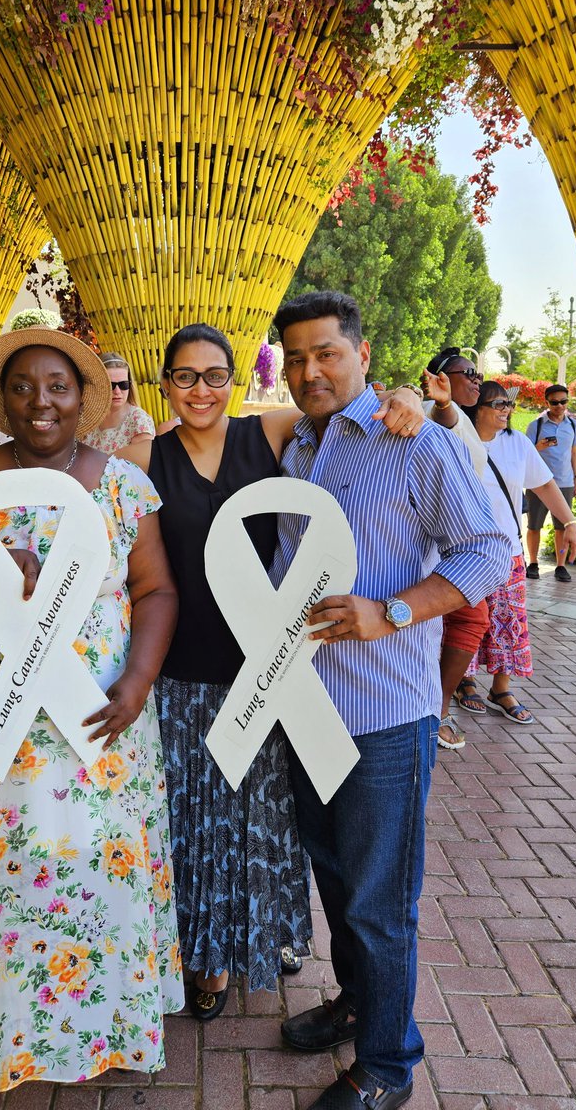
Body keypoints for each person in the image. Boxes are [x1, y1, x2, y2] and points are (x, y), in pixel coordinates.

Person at [0, 328, 183, 1092]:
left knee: (99, 864)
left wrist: (140, 679)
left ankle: (113, 1019)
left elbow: (155, 590)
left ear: (84, 399)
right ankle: (13, 1022)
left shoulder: (121, 485)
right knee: (16, 871)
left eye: (57, 386)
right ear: (2, 401)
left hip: (100, 719)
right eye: (22, 387)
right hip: (3, 723)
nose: (40, 402)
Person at [119, 323, 424, 1018]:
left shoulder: (271, 434)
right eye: (186, 376)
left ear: (238, 380)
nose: (202, 390)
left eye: (215, 375)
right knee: (190, 825)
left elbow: (355, 406)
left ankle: (244, 949)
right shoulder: (139, 459)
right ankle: (199, 956)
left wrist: (405, 395)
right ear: (164, 383)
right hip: (179, 677)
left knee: (254, 825)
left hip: (267, 675)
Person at [271, 292, 509, 1110]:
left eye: (327, 353)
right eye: (296, 357)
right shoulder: (295, 447)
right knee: (336, 882)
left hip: (384, 717)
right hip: (304, 708)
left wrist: (395, 611)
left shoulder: (417, 446)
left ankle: (387, 1068)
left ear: (363, 356)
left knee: (380, 901)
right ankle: (359, 1004)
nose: (311, 371)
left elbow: (489, 552)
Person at [459, 381, 576, 723]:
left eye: (507, 404)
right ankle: (464, 681)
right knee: (467, 621)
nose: (505, 410)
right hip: (463, 552)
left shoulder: (518, 444)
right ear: (475, 408)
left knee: (508, 622)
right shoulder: (457, 441)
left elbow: (543, 484)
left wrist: (569, 522)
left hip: (507, 550)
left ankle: (501, 687)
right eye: (497, 404)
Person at [420, 347, 490, 750]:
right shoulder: (432, 408)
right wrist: (443, 402)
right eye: (468, 373)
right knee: (467, 618)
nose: (475, 380)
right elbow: (440, 422)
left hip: (460, 539)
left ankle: (436, 706)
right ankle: (437, 709)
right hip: (442, 540)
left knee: (462, 620)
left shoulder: (464, 415)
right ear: (439, 377)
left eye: (478, 374)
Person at [524, 384, 576, 582]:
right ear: (546, 402)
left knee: (562, 527)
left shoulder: (573, 425)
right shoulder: (536, 425)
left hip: (564, 482)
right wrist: (539, 447)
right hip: (538, 482)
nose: (559, 406)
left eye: (563, 402)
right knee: (534, 525)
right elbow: (525, 454)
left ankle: (561, 565)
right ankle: (533, 562)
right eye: (555, 402)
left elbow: (574, 454)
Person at [81, 352, 155, 451]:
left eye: (123, 384)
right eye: (111, 385)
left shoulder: (138, 421)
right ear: (98, 385)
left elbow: (143, 464)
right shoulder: (87, 419)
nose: (117, 391)